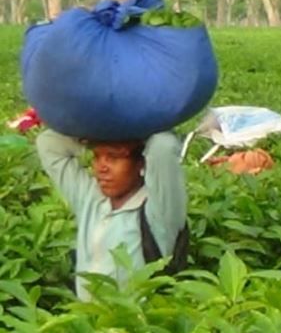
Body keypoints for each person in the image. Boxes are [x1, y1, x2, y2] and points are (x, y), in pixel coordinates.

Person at [36, 128, 187, 300]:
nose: (102, 167)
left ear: (140, 163)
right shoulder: (90, 198)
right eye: (97, 156)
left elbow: (164, 146)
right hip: (87, 321)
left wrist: (135, 135)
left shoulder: (160, 212)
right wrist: (99, 135)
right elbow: (48, 144)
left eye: (113, 158)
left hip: (134, 322)